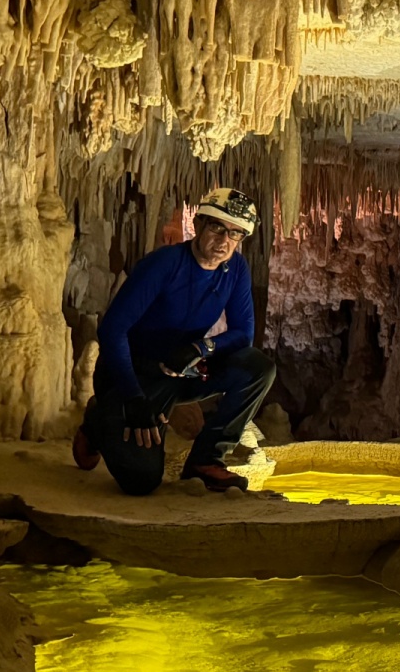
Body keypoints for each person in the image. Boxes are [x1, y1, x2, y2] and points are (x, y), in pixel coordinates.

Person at [73, 187, 277, 495]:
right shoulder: (164, 265)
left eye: (234, 234)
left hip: (181, 368)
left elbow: (243, 336)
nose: (224, 241)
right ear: (198, 224)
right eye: (217, 227)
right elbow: (113, 330)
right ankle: (98, 419)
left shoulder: (235, 269)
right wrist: (134, 399)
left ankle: (206, 461)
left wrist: (201, 348)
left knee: (257, 368)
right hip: (135, 374)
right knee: (141, 481)